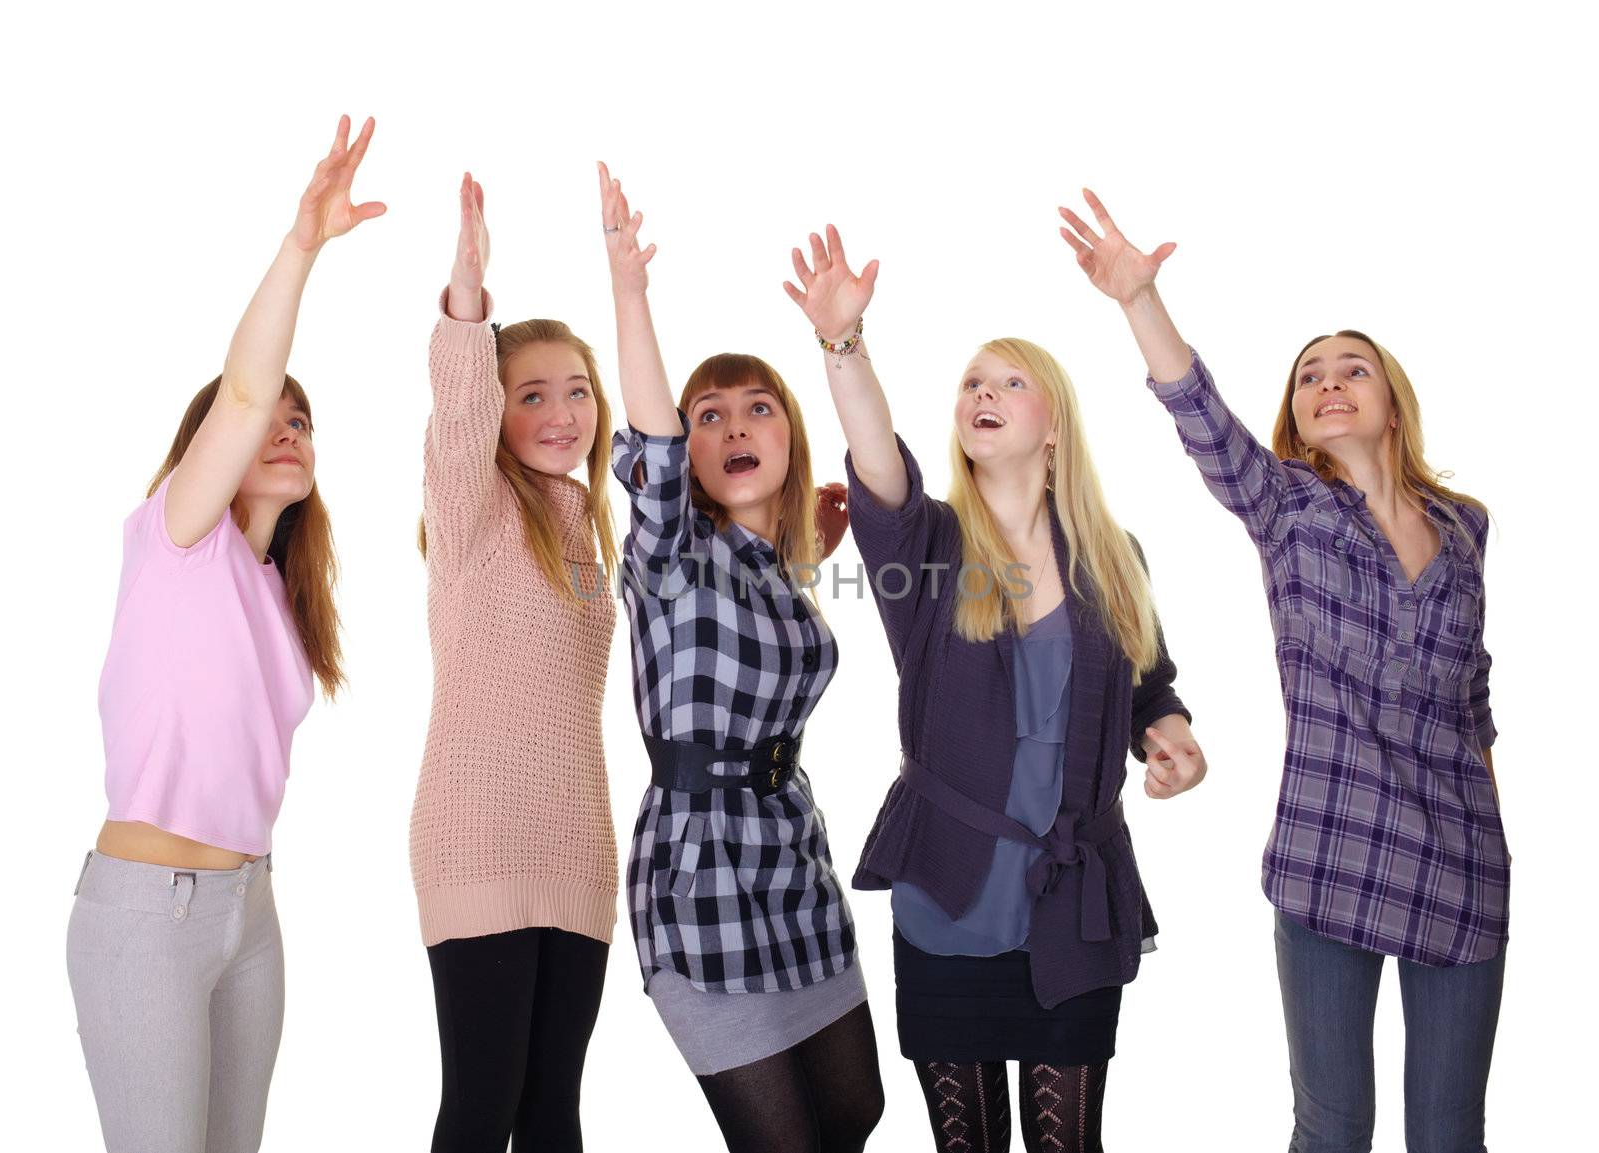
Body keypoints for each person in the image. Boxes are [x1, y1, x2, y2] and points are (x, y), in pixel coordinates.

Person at [1058, 189, 1506, 1152]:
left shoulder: (1466, 526)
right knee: (1333, 1129)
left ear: (1392, 405)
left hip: (1463, 869)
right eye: (1310, 376)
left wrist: (1496, 835)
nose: (1330, 382)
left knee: (1450, 1135)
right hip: (1331, 852)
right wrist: (1140, 300)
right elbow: (1203, 420)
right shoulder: (1289, 506)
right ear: (1298, 419)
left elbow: (1475, 698)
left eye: (1354, 370)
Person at [783, 224, 1207, 1153]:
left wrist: (1170, 735)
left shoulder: (1114, 558)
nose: (984, 393)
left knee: (1070, 1145)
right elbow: (874, 458)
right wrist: (842, 342)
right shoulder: (924, 547)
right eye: (973, 382)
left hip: (1076, 901)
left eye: (1011, 381)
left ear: (1054, 424)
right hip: (950, 896)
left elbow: (1148, 688)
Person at [67, 115, 382, 1153]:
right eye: (269, 421)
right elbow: (246, 385)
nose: (287, 429)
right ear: (216, 443)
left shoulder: (275, 599)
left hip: (250, 908)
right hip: (146, 915)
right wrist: (303, 245)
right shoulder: (175, 535)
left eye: (304, 422)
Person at [599, 163, 882, 1153]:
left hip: (791, 857)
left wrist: (806, 541)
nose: (728, 426)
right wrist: (630, 293)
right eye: (708, 414)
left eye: (754, 406)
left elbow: (769, 629)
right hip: (700, 869)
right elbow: (653, 455)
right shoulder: (673, 552)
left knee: (856, 1112)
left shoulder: (785, 570)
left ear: (788, 432)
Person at [408, 172, 621, 1153]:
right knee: (481, 1108)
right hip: (481, 838)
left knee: (552, 1119)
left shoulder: (590, 525)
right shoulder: (473, 509)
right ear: (496, 412)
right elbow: (455, 422)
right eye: (530, 393)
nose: (559, 411)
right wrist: (466, 299)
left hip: (576, 846)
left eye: (575, 389)